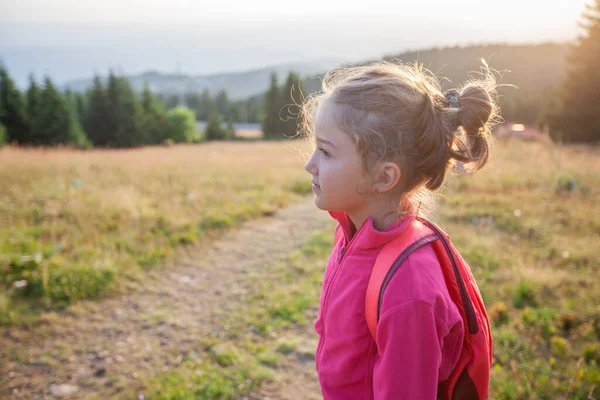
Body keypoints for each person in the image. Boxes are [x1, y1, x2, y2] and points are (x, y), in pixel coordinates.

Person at [300, 61, 498, 399]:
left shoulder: (410, 290)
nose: (310, 165)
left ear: (383, 177)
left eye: (326, 151)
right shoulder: (352, 235)